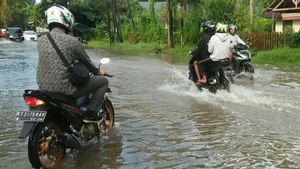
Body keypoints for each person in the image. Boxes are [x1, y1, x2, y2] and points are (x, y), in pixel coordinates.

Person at [36, 5, 108, 122]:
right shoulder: (72, 41)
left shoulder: (40, 40)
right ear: (66, 20)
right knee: (103, 82)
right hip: (64, 90)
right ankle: (91, 113)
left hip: (42, 88)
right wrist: (99, 72)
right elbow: (87, 62)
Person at [189, 20, 216, 84]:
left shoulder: (204, 38)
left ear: (206, 29)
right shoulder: (216, 36)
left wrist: (193, 52)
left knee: (196, 63)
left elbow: (199, 49)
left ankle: (201, 80)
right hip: (217, 58)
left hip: (209, 58)